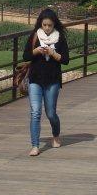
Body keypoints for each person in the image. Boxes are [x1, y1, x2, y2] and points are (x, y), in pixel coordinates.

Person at [23, 8, 70, 156]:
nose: (47, 28)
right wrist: (36, 51)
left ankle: (55, 136)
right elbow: (25, 56)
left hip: (52, 80)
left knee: (51, 113)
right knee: (35, 112)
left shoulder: (60, 38)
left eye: (50, 25)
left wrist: (53, 53)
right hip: (35, 79)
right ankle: (35, 145)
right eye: (44, 25)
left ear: (54, 24)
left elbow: (66, 60)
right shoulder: (35, 36)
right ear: (40, 24)